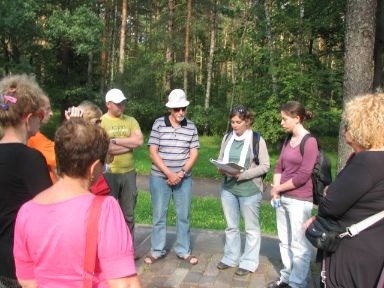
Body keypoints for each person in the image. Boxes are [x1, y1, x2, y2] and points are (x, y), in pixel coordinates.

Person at [13, 119, 141, 287]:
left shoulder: (26, 211)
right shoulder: (105, 208)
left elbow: (27, 280)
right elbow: (125, 284)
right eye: (104, 163)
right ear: (94, 167)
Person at [315, 93, 384, 288]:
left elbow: (329, 207)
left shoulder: (366, 162)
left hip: (352, 250)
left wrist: (329, 192)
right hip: (374, 247)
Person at [0, 74, 52, 283]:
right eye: (41, 114)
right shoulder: (30, 158)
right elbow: (49, 213)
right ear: (28, 117)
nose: (42, 119)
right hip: (20, 261)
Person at [145, 89, 200, 265]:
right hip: (160, 177)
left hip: (183, 178)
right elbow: (153, 151)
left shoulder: (191, 126)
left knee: (183, 215)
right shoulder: (158, 124)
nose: (181, 112)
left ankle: (184, 250)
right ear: (170, 109)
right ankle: (157, 250)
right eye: (177, 109)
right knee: (159, 215)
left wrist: (181, 173)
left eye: (183, 108)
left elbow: (194, 152)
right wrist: (169, 173)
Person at [215, 105, 270, 276]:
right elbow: (220, 158)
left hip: (250, 190)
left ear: (247, 121)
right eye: (232, 122)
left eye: (238, 122)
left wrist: (244, 174)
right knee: (231, 226)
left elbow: (265, 166)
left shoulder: (257, 139)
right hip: (228, 188)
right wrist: (221, 167)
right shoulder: (227, 137)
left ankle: (249, 262)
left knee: (251, 228)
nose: (234, 125)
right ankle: (231, 257)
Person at [268, 101, 318, 288]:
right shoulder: (288, 140)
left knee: (299, 245)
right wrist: (276, 192)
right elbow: (279, 166)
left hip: (299, 200)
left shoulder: (310, 142)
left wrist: (277, 188)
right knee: (284, 241)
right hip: (282, 198)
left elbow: (302, 176)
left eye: (284, 119)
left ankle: (298, 284)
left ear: (297, 119)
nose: (281, 123)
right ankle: (287, 277)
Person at [101, 88, 144, 238]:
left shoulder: (130, 120)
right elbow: (105, 148)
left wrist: (115, 141)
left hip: (129, 173)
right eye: (118, 104)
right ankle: (111, 246)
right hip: (109, 174)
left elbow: (139, 141)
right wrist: (128, 144)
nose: (122, 106)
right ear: (108, 104)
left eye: (123, 103)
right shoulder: (101, 122)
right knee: (108, 214)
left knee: (129, 214)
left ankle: (129, 248)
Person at [27, 93, 58, 183]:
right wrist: (75, 128)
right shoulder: (35, 138)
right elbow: (64, 157)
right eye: (47, 109)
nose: (51, 113)